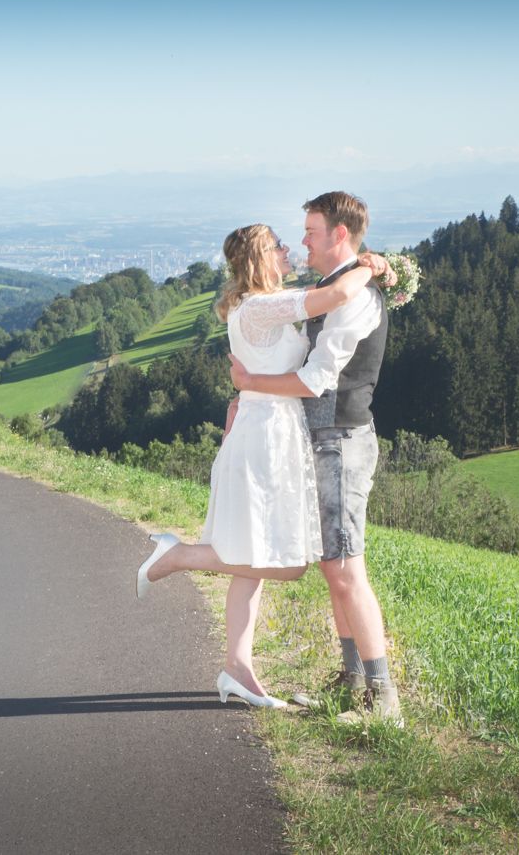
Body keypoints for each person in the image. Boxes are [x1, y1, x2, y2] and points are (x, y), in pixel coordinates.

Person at [136, 222, 387, 708]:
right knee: (288, 564)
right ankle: (179, 555)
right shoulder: (260, 306)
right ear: (258, 257)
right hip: (267, 436)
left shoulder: (261, 306)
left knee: (250, 562)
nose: (288, 248)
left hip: (268, 429)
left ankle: (238, 670)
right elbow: (334, 294)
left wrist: (247, 385)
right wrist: (371, 265)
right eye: (277, 245)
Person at [227, 192, 400, 720]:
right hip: (326, 441)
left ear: (339, 236)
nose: (302, 240)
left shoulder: (355, 297)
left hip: (343, 439)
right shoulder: (334, 286)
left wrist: (251, 384)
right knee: (334, 567)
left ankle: (384, 698)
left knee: (347, 567)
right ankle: (350, 683)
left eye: (311, 231)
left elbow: (316, 379)